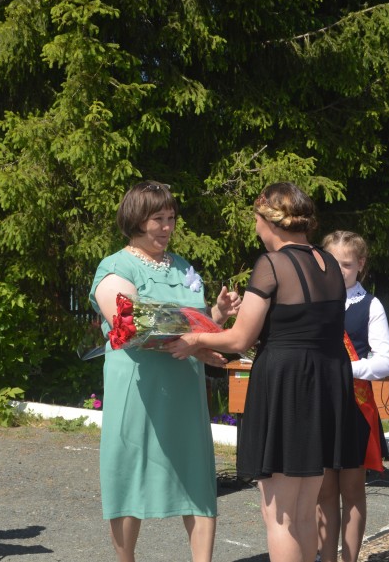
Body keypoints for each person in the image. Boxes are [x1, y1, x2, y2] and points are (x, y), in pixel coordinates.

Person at [168, 182, 363, 562]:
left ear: (269, 220)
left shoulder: (272, 264)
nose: (255, 225)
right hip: (325, 385)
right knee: (304, 511)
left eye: (256, 217)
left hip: (287, 386)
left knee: (279, 515)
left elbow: (241, 338)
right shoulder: (328, 264)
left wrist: (194, 339)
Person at [89, 180, 241, 562]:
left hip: (184, 386)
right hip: (139, 387)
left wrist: (218, 316)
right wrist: (197, 343)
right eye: (158, 219)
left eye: (171, 218)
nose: (167, 226)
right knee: (129, 474)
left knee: (197, 475)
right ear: (137, 219)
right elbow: (130, 325)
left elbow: (195, 324)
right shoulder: (115, 267)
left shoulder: (183, 266)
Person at [317, 230, 389, 562]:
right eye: (332, 263)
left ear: (361, 264)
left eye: (346, 265)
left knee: (351, 491)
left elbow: (385, 362)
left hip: (353, 409)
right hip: (319, 407)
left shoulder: (370, 305)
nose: (339, 271)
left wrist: (345, 369)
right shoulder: (312, 301)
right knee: (322, 493)